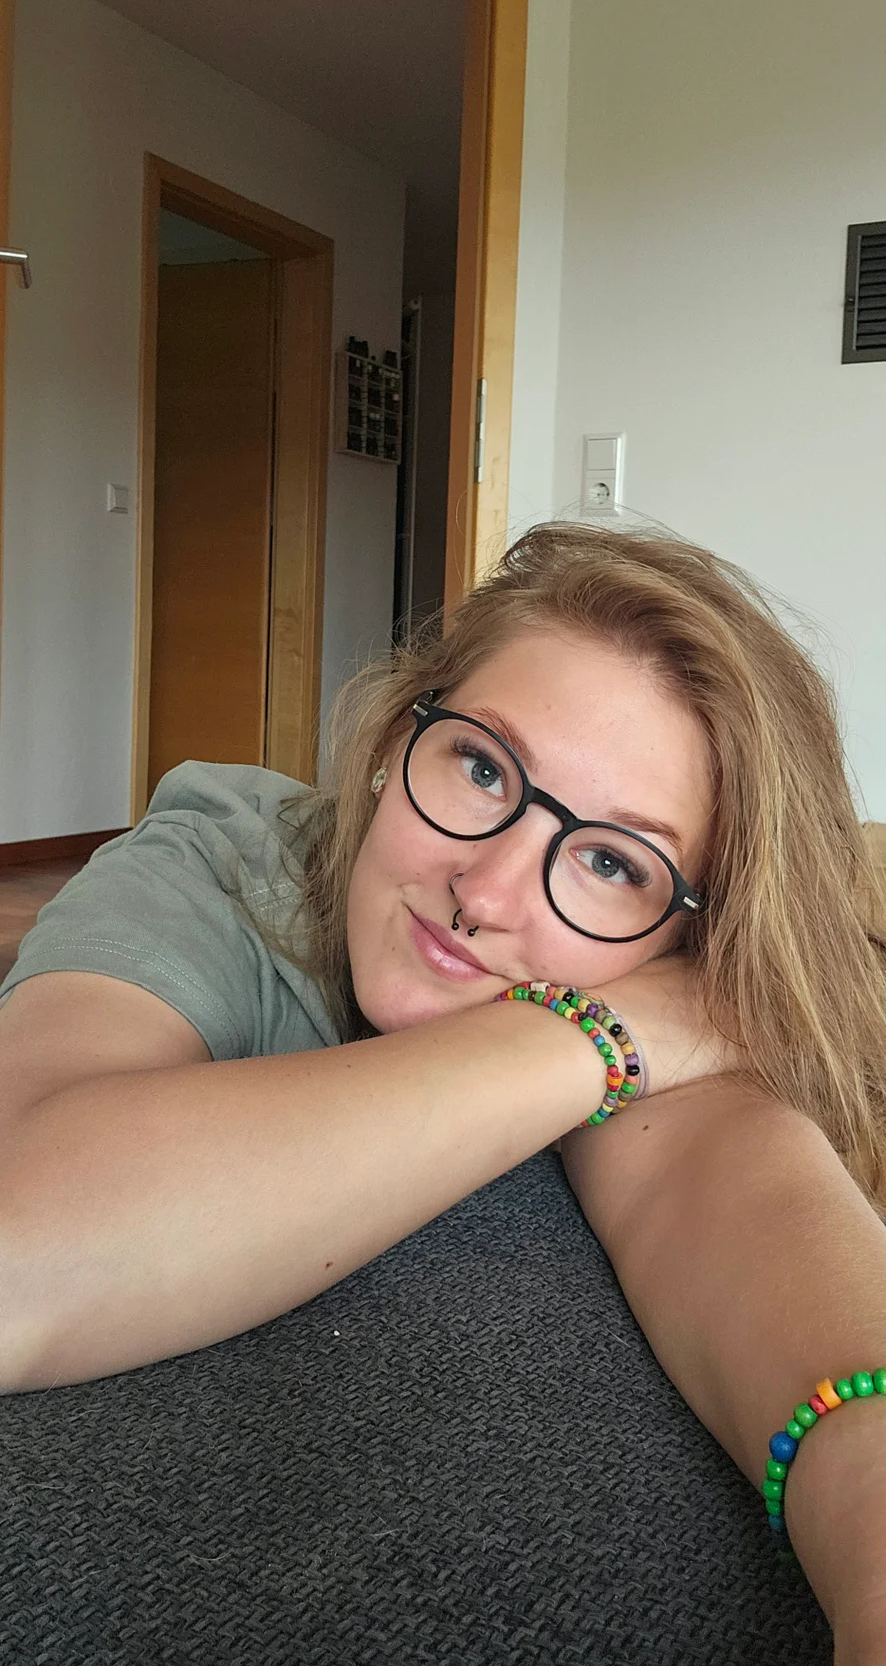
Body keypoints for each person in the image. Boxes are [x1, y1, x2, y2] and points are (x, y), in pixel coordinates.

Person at [1, 521, 886, 1657]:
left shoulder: (664, 984)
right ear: (394, 740)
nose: (487, 891)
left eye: (611, 861)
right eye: (482, 767)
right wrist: (594, 1034)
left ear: (684, 935)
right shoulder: (226, 859)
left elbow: (757, 1233)